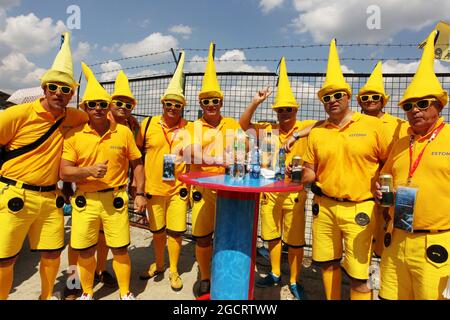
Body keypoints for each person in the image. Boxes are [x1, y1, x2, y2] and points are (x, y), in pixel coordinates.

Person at [0, 32, 88, 300]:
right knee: (5, 259)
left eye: (65, 90)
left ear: (72, 94)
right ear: (44, 88)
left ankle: (46, 296)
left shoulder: (74, 116)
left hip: (52, 198)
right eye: (54, 87)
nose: (59, 94)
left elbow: (93, 118)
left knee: (52, 253)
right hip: (16, 195)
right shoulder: (17, 114)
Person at [299, 39, 389, 300]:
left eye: (338, 95)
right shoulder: (317, 132)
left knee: (358, 274)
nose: (332, 100)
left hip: (360, 208)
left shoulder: (373, 127)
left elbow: (389, 166)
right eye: (327, 97)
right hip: (324, 206)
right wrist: (296, 176)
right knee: (327, 263)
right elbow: (310, 171)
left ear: (349, 97)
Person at [60, 62, 146, 300]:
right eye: (92, 104)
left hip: (115, 200)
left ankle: (124, 291)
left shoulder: (125, 132)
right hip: (85, 202)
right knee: (83, 248)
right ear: (85, 107)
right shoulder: (74, 134)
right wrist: (87, 171)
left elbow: (137, 163)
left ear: (108, 107)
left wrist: (140, 193)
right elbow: (65, 173)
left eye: (101, 104)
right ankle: (81, 288)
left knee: (118, 247)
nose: (97, 108)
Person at [376, 30, 450, 300]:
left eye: (421, 103)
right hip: (396, 239)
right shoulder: (400, 143)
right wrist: (379, 190)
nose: (414, 110)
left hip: (436, 244)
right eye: (408, 106)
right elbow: (383, 180)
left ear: (439, 106)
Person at [239, 57, 315, 300]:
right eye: (280, 110)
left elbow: (325, 124)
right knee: (271, 235)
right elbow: (243, 125)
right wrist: (256, 102)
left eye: (288, 110)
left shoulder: (306, 127)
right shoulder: (268, 129)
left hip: (294, 193)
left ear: (296, 110)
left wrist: (298, 135)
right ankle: (274, 272)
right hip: (270, 191)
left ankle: (294, 280)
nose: (284, 114)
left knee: (294, 240)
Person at [188, 43, 241, 297]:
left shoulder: (232, 123)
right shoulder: (192, 126)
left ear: (221, 102)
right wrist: (218, 158)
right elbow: (187, 152)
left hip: (230, 190)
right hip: (203, 189)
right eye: (207, 101)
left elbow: (244, 146)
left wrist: (239, 153)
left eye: (215, 101)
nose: (211, 105)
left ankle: (226, 273)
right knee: (202, 237)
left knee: (229, 235)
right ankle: (206, 277)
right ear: (201, 103)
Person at [137, 51, 191, 292]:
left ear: (182, 107)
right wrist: (137, 188)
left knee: (176, 233)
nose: (172, 108)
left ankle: (175, 269)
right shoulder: (147, 124)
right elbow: (136, 156)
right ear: (163, 105)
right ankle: (159, 264)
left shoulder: (190, 128)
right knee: (157, 232)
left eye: (177, 105)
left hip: (178, 189)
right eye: (168, 104)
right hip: (153, 189)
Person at [356, 61, 407, 258]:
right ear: (360, 102)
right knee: (363, 238)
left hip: (387, 191)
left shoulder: (398, 125)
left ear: (383, 100)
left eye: (375, 97)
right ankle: (364, 274)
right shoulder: (354, 123)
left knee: (387, 236)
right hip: (361, 192)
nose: (370, 100)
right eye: (365, 98)